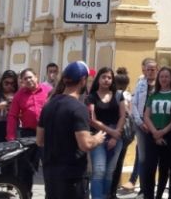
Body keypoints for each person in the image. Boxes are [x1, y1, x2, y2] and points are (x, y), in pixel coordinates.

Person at [38, 61, 108, 199]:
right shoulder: (78, 108)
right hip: (72, 177)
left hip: (51, 174)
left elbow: (40, 140)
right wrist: (97, 138)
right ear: (82, 80)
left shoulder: (48, 105)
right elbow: (85, 144)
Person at [8, 68, 53, 197]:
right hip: (28, 134)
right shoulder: (19, 95)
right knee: (26, 169)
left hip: (48, 134)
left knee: (50, 167)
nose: (28, 80)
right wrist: (11, 137)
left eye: (30, 77)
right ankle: (26, 195)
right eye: (25, 79)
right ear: (22, 81)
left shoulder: (48, 91)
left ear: (36, 77)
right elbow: (12, 116)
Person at [86, 67, 128, 199]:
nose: (106, 80)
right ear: (98, 79)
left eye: (109, 78)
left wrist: (115, 136)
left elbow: (123, 116)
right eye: (103, 77)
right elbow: (92, 120)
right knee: (99, 170)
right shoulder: (91, 97)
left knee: (109, 171)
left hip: (117, 137)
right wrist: (111, 132)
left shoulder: (118, 95)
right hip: (98, 136)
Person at [143, 67, 171, 199]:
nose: (164, 79)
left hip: (169, 135)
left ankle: (159, 195)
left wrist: (163, 131)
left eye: (167, 76)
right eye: (161, 76)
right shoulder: (153, 95)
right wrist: (155, 132)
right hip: (152, 134)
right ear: (158, 79)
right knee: (149, 168)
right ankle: (148, 196)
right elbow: (146, 116)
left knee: (164, 168)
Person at [128, 58, 159, 193]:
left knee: (153, 157)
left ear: (157, 70)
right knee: (142, 157)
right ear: (144, 70)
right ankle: (143, 189)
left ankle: (150, 187)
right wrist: (139, 122)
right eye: (148, 69)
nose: (150, 72)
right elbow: (133, 104)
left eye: (153, 69)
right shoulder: (140, 83)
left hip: (155, 123)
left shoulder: (161, 84)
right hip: (140, 123)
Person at [111, 67, 134, 197]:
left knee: (111, 164)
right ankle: (113, 191)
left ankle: (109, 191)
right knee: (119, 163)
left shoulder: (114, 95)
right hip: (125, 134)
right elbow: (130, 114)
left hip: (113, 131)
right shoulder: (128, 96)